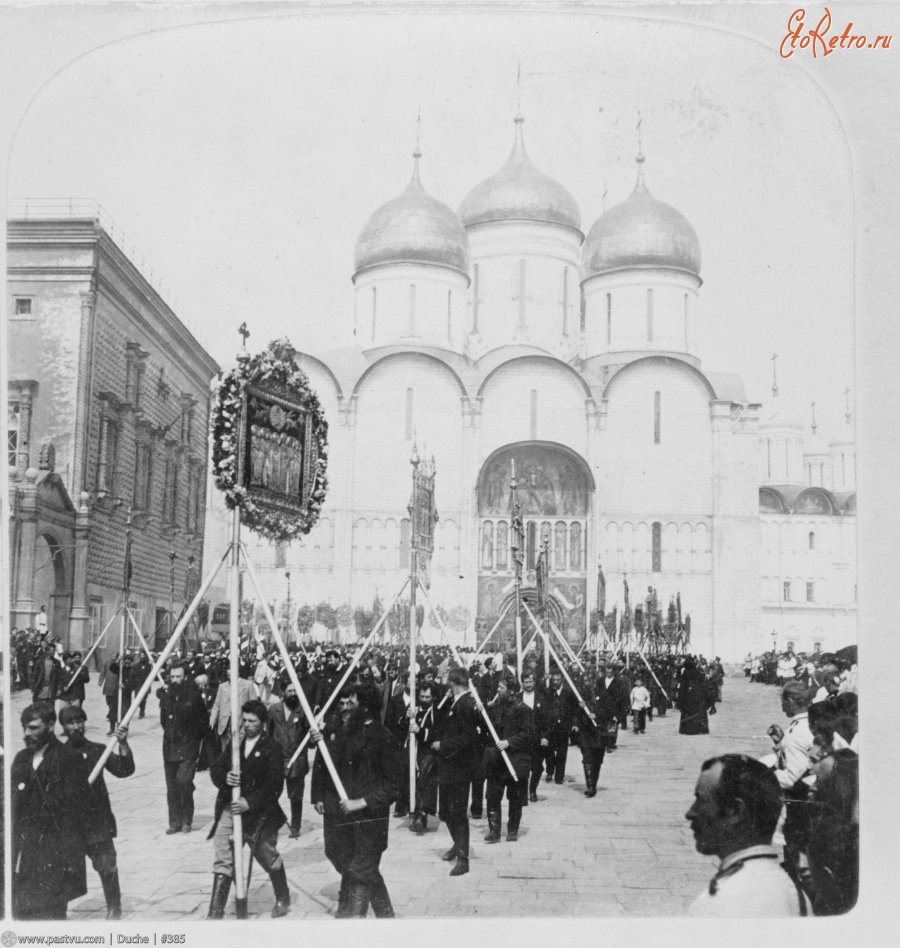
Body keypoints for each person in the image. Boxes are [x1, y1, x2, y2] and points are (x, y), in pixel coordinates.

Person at [310, 682, 400, 918]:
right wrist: (320, 739)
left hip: (370, 821)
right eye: (342, 703)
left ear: (366, 707)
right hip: (343, 820)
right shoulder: (341, 733)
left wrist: (361, 802)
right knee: (347, 861)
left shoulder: (384, 737)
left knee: (361, 871)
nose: (344, 708)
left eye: (351, 703)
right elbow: (325, 763)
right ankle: (386, 916)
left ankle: (353, 919)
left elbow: (393, 786)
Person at [685, 754, 810, 916]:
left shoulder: (714, 906)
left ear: (736, 812)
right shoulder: (799, 897)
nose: (690, 813)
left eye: (701, 800)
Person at [207, 699, 290, 919]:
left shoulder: (272, 748)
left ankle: (283, 897)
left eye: (252, 721)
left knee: (267, 856)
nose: (247, 725)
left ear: (263, 722)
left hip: (259, 814)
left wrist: (250, 802)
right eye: (244, 720)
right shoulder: (236, 745)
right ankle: (215, 911)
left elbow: (275, 786)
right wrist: (225, 777)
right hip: (230, 808)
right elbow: (216, 767)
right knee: (223, 854)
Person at [12, 702, 90, 920]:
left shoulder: (68, 759)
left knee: (49, 919)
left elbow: (75, 816)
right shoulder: (21, 759)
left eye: (34, 728)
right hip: (22, 859)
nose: (27, 733)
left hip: (53, 860)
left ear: (51, 725)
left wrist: (71, 861)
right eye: (24, 728)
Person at [59, 706, 134, 919]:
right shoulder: (57, 755)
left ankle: (114, 909)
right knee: (65, 870)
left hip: (97, 822)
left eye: (80, 721)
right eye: (71, 723)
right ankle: (59, 913)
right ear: (62, 727)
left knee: (107, 865)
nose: (77, 726)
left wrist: (123, 743)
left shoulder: (97, 750)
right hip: (71, 824)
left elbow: (124, 770)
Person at [432, 666, 480, 877]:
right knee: (445, 811)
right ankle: (457, 844)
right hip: (449, 766)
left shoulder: (466, 705)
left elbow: (467, 738)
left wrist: (442, 746)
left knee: (458, 813)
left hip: (460, 767)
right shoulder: (456, 703)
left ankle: (463, 857)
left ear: (452, 683)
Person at [159, 661, 209, 834]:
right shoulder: (166, 697)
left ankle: (187, 819)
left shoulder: (194, 697)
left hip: (188, 746)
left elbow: (203, 721)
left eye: (178, 676)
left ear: (185, 677)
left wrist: (192, 738)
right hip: (170, 747)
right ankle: (175, 822)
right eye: (172, 677)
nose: (175, 680)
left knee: (183, 781)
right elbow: (164, 721)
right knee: (172, 786)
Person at [483, 673, 533, 843]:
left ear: (511, 690)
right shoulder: (494, 707)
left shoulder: (523, 709)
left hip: (515, 760)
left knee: (515, 797)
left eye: (501, 688)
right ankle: (494, 830)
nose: (497, 690)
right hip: (496, 760)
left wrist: (509, 742)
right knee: (492, 796)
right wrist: (482, 710)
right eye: (497, 687)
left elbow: (528, 734)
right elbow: (486, 727)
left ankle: (512, 829)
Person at [268, 678, 310, 838]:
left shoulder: (303, 710)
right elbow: (269, 733)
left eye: (295, 691)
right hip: (278, 760)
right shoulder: (273, 710)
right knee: (271, 794)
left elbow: (310, 737)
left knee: (296, 796)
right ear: (282, 693)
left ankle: (295, 826)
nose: (293, 694)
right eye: (289, 691)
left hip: (297, 760)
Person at [572, 674, 617, 798]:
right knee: (587, 757)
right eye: (585, 680)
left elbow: (610, 710)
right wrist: (575, 724)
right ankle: (590, 786)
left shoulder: (603, 694)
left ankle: (594, 783)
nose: (587, 683)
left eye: (590, 680)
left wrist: (596, 714)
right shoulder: (580, 695)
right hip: (585, 731)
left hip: (599, 731)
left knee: (597, 759)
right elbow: (575, 713)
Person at [408, 682, 439, 835]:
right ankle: (413, 812)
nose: (424, 699)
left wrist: (420, 731)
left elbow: (436, 733)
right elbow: (400, 725)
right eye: (422, 696)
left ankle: (422, 814)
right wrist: (407, 718)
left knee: (425, 782)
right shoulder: (414, 709)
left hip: (428, 753)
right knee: (412, 782)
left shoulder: (437, 712)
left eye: (427, 697)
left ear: (433, 697)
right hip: (413, 751)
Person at [209, 663, 256, 753]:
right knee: (226, 749)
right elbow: (217, 705)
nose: (229, 677)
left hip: (241, 722)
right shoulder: (222, 686)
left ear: (238, 673)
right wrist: (212, 719)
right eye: (228, 675)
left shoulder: (248, 685)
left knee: (241, 748)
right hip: (225, 723)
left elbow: (254, 704)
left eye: (231, 674)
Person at [520, 669, 550, 802]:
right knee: (522, 766)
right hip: (521, 739)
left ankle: (532, 789)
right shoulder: (517, 698)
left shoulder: (541, 698)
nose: (528, 684)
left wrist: (545, 736)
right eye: (525, 682)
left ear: (535, 682)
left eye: (530, 681)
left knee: (537, 766)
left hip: (537, 739)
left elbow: (547, 720)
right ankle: (522, 791)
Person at [544, 667, 574, 778]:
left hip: (564, 725)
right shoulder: (547, 691)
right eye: (554, 680)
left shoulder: (568, 692)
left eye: (558, 680)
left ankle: (559, 775)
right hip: (550, 726)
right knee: (549, 750)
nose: (555, 682)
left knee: (562, 751)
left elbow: (573, 708)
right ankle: (550, 771)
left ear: (562, 680)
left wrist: (573, 723)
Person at [677, 656, 712, 735]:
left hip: (687, 697)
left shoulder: (685, 673)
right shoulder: (698, 672)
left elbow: (682, 686)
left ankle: (687, 729)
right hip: (697, 697)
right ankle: (701, 729)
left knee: (687, 713)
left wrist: (680, 699)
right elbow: (703, 681)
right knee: (698, 712)